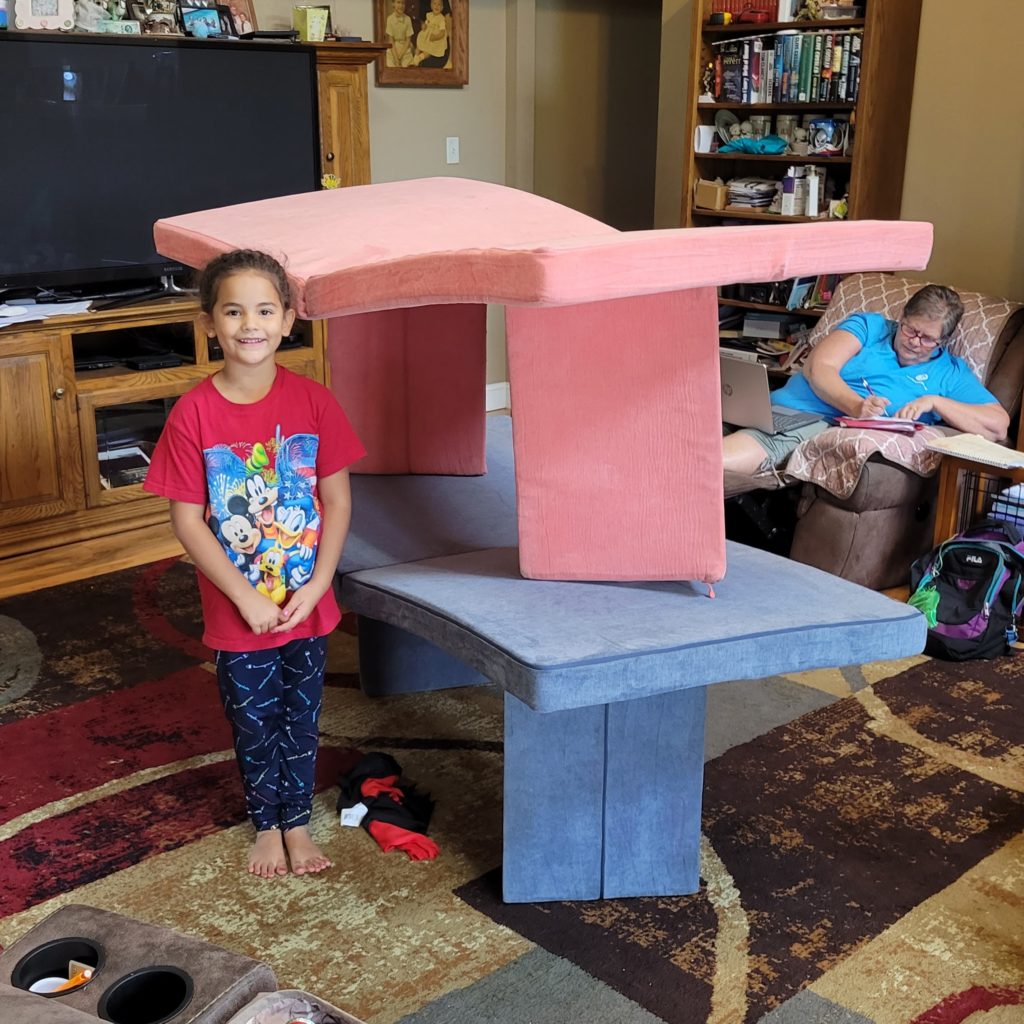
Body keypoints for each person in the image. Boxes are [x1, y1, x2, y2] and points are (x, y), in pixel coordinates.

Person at [143, 250, 366, 879]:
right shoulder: (193, 415)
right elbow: (187, 521)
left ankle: (297, 820)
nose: (251, 323)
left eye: (265, 309)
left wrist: (321, 582)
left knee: (303, 714)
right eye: (233, 310)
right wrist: (245, 597)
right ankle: (265, 823)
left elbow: (337, 499)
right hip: (241, 612)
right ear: (210, 323)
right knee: (253, 716)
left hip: (308, 603)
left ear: (289, 319)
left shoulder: (316, 403)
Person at [722, 284, 1010, 475]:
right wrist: (856, 405)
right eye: (910, 330)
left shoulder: (950, 372)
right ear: (902, 317)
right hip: (768, 405)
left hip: (813, 423)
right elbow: (817, 367)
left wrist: (934, 401)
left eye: (927, 339)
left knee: (710, 462)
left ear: (944, 340)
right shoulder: (870, 326)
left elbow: (997, 426)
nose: (914, 342)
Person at [412, 0, 450, 68]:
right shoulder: (429, 15)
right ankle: (416, 55)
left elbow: (442, 33)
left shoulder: (441, 19)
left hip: (435, 39)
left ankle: (420, 57)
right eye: (434, 4)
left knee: (429, 50)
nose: (436, 6)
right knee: (420, 41)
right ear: (431, 5)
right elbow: (426, 23)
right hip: (427, 36)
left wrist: (435, 37)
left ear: (442, 8)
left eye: (439, 5)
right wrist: (424, 26)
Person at [385, 0, 415, 66]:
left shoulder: (407, 19)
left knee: (406, 67)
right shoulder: (390, 19)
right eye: (398, 2)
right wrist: (396, 58)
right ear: (393, 4)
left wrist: (400, 56)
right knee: (390, 67)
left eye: (403, 3)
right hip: (393, 49)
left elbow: (408, 40)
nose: (401, 5)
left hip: (405, 49)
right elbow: (391, 40)